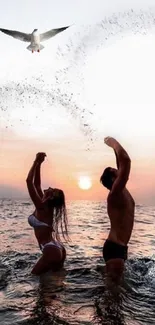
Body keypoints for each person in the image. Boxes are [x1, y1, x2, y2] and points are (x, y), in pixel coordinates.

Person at [26, 152, 68, 275]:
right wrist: (39, 164)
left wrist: (35, 161)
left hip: (51, 249)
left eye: (51, 189)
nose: (49, 187)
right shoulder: (44, 205)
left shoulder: (41, 207)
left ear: (50, 197)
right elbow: (36, 184)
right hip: (55, 248)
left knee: (33, 278)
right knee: (54, 287)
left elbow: (29, 181)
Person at [100, 137, 135, 283]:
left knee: (115, 291)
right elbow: (125, 160)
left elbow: (121, 164)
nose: (119, 171)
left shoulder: (121, 191)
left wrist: (114, 151)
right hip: (114, 248)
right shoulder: (115, 193)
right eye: (116, 172)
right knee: (113, 295)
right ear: (114, 179)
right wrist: (113, 142)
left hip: (119, 247)